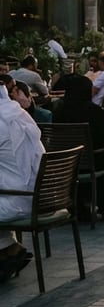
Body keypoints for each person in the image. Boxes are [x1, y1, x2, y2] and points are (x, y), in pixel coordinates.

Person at [54, 74, 104, 218]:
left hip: (65, 165)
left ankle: (79, 203)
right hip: (93, 162)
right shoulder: (95, 112)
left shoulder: (58, 113)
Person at [0, 85, 43, 282]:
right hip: (40, 195)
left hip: (21, 200)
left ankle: (8, 252)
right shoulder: (19, 113)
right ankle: (10, 250)